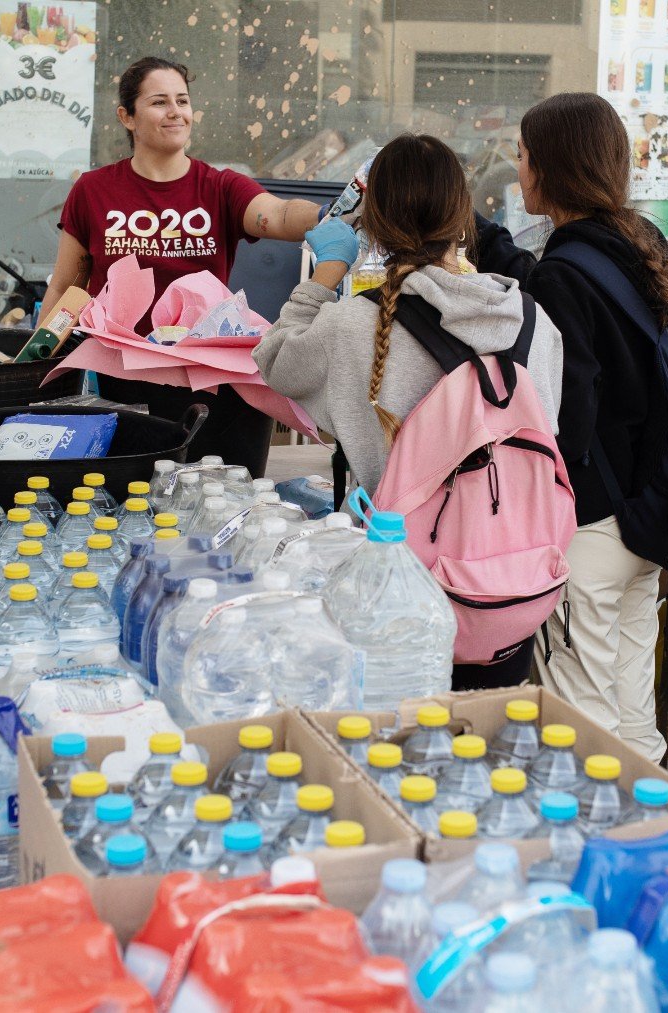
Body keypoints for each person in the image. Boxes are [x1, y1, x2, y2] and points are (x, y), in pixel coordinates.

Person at [255, 134, 564, 689]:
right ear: (462, 217)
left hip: (398, 599)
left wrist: (326, 271)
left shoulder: (355, 325)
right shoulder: (531, 320)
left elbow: (275, 359)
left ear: (373, 223)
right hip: (514, 592)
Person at [470, 93, 668, 761]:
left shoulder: (568, 270)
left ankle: (594, 855)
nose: (519, 166)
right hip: (645, 522)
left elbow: (568, 409)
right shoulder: (638, 246)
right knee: (632, 715)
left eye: (525, 155)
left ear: (551, 169)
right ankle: (650, 845)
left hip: (589, 527)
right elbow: (550, 283)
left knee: (579, 725)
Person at [44, 56, 325, 476]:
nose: (176, 111)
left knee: (205, 493)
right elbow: (67, 285)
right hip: (124, 380)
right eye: (159, 102)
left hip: (207, 380)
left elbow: (280, 216)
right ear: (127, 116)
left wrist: (334, 217)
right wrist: (37, 360)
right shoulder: (93, 190)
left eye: (183, 100)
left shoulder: (220, 186)